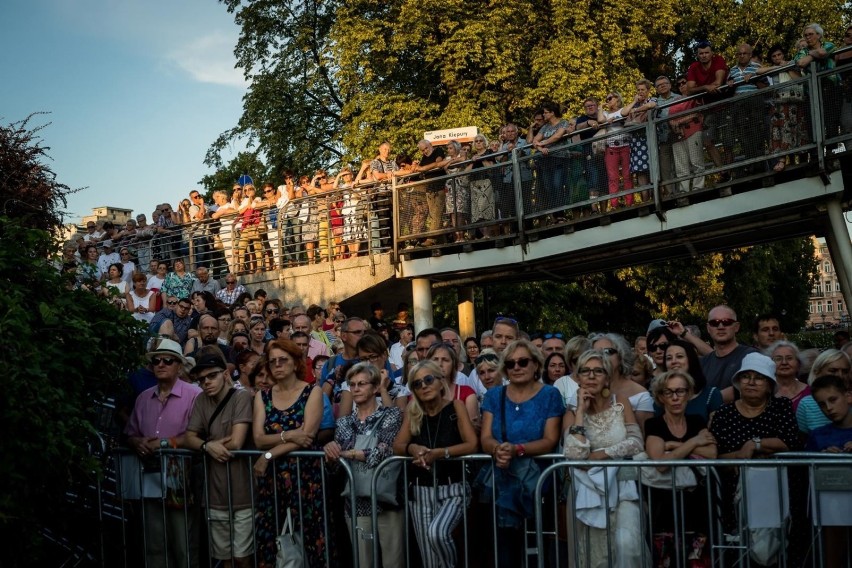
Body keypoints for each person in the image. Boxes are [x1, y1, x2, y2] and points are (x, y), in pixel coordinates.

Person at [480, 339, 563, 568]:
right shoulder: (493, 396)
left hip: (536, 484)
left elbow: (550, 440)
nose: (516, 367)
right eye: (510, 364)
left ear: (536, 365)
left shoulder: (550, 395)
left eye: (523, 362)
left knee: (537, 548)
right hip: (501, 482)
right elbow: (485, 437)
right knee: (503, 550)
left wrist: (517, 449)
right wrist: (498, 449)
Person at [563, 349, 648, 568]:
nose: (591, 376)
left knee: (627, 543)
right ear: (578, 377)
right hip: (588, 490)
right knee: (595, 554)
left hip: (622, 486)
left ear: (608, 377)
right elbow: (574, 454)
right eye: (586, 371)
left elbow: (636, 441)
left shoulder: (620, 402)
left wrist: (601, 454)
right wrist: (581, 411)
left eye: (598, 371)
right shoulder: (572, 411)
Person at [124, 338, 202, 568]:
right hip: (149, 478)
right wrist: (136, 441)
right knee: (154, 543)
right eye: (156, 360)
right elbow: (130, 432)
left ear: (179, 365)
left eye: (168, 360)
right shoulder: (143, 398)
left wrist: (162, 443)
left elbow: (196, 436)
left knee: (184, 544)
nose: (161, 364)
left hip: (181, 480)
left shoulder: (193, 395)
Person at [393, 360, 479, 568]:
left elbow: (472, 444)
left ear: (441, 382)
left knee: (437, 533)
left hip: (454, 487)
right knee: (429, 559)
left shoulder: (456, 406)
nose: (424, 385)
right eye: (417, 383)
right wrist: (412, 448)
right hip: (420, 490)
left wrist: (441, 453)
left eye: (428, 379)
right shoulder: (413, 411)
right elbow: (398, 445)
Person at [252, 339, 326, 568]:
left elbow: (308, 435)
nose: (277, 365)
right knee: (273, 541)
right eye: (272, 361)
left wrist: (269, 455)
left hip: (306, 479)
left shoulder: (312, 392)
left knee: (311, 539)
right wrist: (290, 435)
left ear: (295, 363)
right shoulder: (262, 396)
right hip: (272, 482)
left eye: (283, 359)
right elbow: (258, 439)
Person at [323, 362, 403, 568]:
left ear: (376, 387)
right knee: (362, 562)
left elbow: (385, 451)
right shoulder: (343, 423)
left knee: (393, 561)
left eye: (362, 384)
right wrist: (331, 453)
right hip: (355, 500)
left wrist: (349, 453)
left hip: (387, 499)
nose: (356, 388)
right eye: (352, 384)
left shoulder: (391, 414)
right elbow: (336, 468)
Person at [709, 353, 801, 534]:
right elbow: (715, 455)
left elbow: (790, 441)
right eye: (746, 377)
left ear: (769, 385)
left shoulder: (781, 406)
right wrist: (739, 456)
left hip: (777, 491)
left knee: (778, 549)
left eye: (759, 378)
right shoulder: (724, 413)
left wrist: (754, 444)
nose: (751, 382)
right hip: (734, 493)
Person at [183, 349, 254, 568]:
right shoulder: (201, 400)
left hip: (243, 491)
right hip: (214, 492)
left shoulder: (241, 396)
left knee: (242, 557)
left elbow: (236, 442)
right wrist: (207, 445)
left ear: (225, 374)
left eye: (211, 375)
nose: (206, 382)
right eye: (202, 379)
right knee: (224, 558)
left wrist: (207, 445)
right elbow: (188, 437)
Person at [644, 370, 717, 561]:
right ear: (661, 396)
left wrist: (674, 446)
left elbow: (712, 453)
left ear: (689, 394)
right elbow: (661, 463)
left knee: (698, 561)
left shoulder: (697, 421)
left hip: (697, 506)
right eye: (669, 392)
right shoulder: (654, 425)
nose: (675, 398)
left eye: (681, 391)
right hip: (664, 508)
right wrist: (693, 443)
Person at [807, 374, 852, 568]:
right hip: (833, 516)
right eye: (822, 404)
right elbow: (806, 471)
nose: (829, 408)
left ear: (848, 395)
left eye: (833, 400)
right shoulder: (818, 436)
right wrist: (823, 456)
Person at [701, 305, 757, 403]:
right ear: (708, 328)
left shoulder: (752, 356)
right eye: (714, 323)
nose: (720, 327)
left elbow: (751, 388)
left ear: (736, 327)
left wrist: (709, 400)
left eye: (726, 322)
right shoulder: (701, 363)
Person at [796, 349, 852, 434]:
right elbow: (803, 442)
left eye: (845, 371)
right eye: (833, 371)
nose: (840, 376)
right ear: (817, 372)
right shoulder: (806, 405)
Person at [766, 340, 809, 412]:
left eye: (789, 358)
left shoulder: (810, 392)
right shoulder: (764, 392)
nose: (784, 362)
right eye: (778, 359)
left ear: (798, 364)